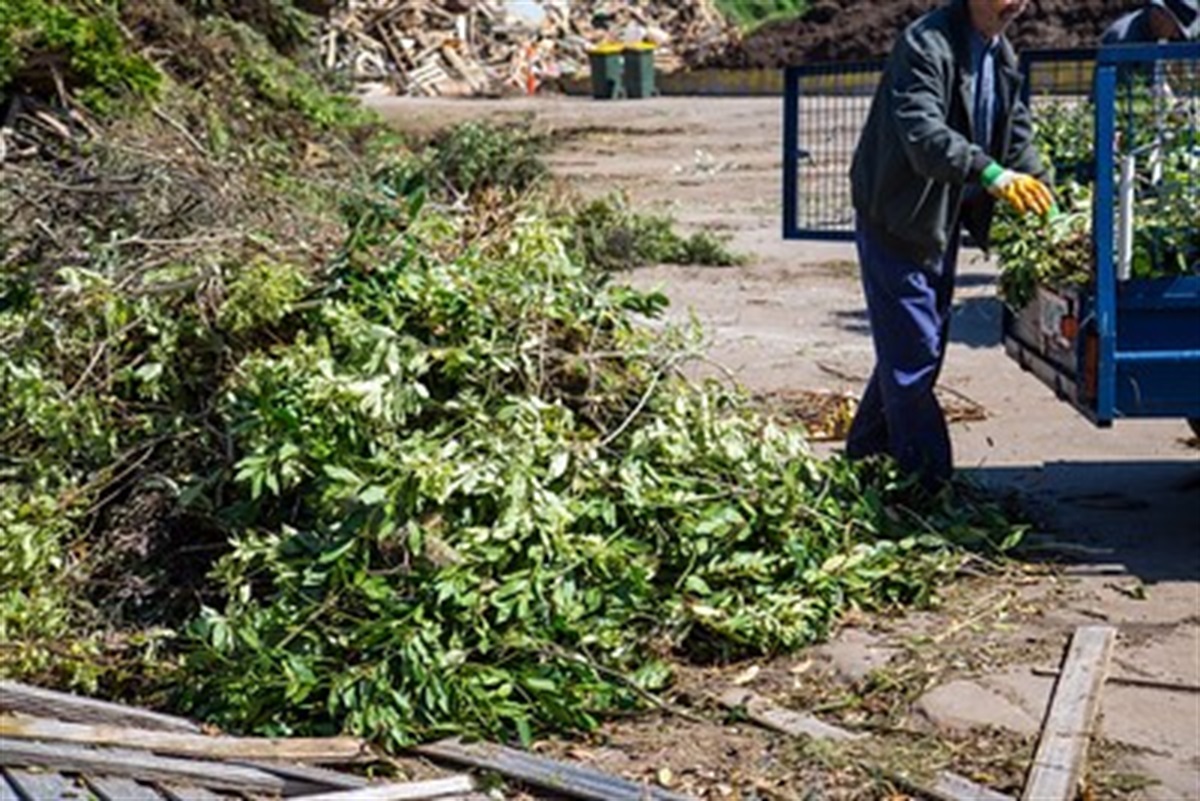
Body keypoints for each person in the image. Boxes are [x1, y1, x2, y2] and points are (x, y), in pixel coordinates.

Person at [845, 0, 1054, 492]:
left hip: (939, 219)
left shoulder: (1001, 53)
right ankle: (929, 485)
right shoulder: (927, 43)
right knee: (914, 350)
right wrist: (991, 173)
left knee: (916, 346)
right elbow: (922, 131)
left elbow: (1016, 134)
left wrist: (1049, 198)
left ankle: (865, 455)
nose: (1015, 4)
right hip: (897, 216)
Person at [1101, 0, 1200, 45]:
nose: (1174, 37)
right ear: (1160, 16)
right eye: (1176, 31)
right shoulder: (1122, 41)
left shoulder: (1154, 38)